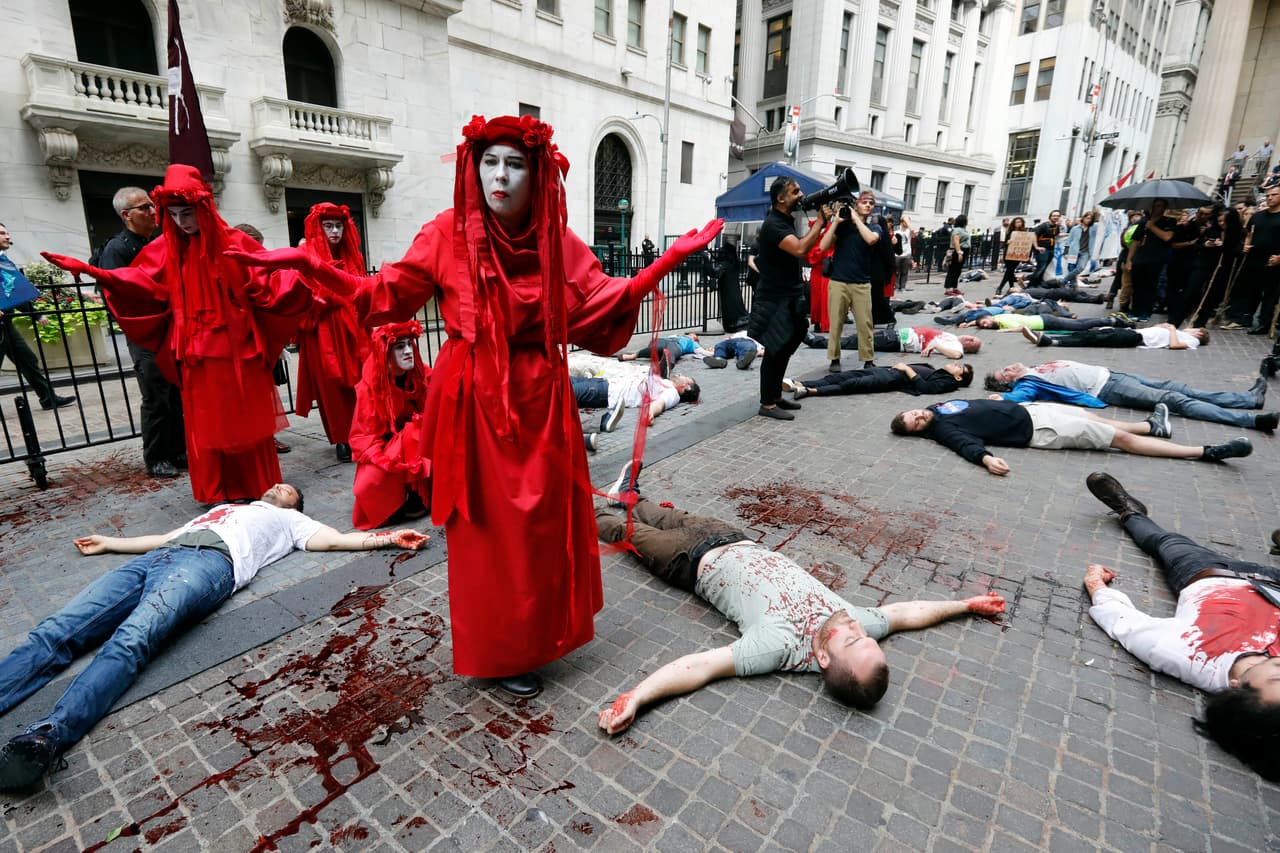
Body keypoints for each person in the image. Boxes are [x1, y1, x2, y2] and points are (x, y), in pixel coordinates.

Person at [229, 114, 722, 698]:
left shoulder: (556, 241)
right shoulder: (446, 234)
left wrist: (663, 265)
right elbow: (379, 297)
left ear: (536, 174)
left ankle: (541, 634)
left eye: (515, 164)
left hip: (538, 399)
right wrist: (312, 266)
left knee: (540, 524)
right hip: (473, 401)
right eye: (490, 162)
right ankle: (498, 649)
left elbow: (598, 307)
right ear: (473, 167)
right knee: (488, 533)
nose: (501, 176)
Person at [0, 483, 428, 790]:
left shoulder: (291, 520)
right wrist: (112, 542)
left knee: (132, 639)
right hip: (156, 559)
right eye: (277, 485)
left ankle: (47, 736)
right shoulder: (223, 509)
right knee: (56, 631)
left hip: (208, 567)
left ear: (296, 503)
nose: (280, 486)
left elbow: (334, 542)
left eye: (289, 489)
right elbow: (167, 537)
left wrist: (388, 537)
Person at [594, 479, 1006, 734]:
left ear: (823, 657)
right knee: (655, 510)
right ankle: (626, 492)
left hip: (688, 562)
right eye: (867, 637)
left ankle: (577, 506)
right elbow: (904, 614)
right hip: (730, 536)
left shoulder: (778, 647)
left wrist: (637, 696)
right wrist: (965, 604)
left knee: (621, 529)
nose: (858, 628)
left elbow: (699, 667)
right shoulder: (858, 626)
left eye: (852, 640)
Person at [43, 165, 315, 505]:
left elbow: (269, 278)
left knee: (242, 416)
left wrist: (301, 283)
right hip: (196, 352)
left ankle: (256, 484)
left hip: (237, 350)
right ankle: (216, 490)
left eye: (186, 213)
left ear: (203, 208)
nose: (181, 221)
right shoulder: (167, 249)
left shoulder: (234, 241)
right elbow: (139, 280)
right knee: (205, 421)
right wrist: (92, 271)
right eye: (172, 214)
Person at [1081, 472, 1280, 781]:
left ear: (1240, 690)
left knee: (1163, 542)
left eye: (1277, 679)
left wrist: (1098, 587)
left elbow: (1126, 625)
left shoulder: (1190, 655)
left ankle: (1128, 510)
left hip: (1205, 573)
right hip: (1274, 581)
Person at [890, 398, 1251, 475]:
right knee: (1115, 440)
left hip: (1033, 409)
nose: (920, 417)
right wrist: (985, 458)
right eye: (916, 424)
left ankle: (1152, 426)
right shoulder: (942, 429)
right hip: (1041, 430)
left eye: (913, 414)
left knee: (1098, 420)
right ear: (920, 432)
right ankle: (1204, 452)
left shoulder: (936, 408)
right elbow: (963, 444)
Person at [96, 188, 184, 478]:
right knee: (156, 395)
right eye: (144, 208)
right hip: (144, 332)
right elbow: (116, 293)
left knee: (176, 393)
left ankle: (179, 450)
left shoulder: (161, 241)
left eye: (152, 206)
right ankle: (157, 456)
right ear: (127, 215)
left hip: (169, 327)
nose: (152, 211)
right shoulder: (116, 249)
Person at [987, 360, 1277, 432]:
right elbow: (1019, 397)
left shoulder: (1033, 367)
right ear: (1009, 383)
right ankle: (1250, 420)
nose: (1010, 368)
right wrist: (1003, 399)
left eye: (1006, 367)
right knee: (1175, 401)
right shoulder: (1027, 383)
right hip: (1110, 388)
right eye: (1006, 373)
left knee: (1179, 388)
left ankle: (1247, 400)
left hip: (1113, 374)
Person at [291, 203, 370, 463]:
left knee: (362, 380)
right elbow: (300, 295)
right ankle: (341, 437)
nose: (334, 231)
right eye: (328, 226)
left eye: (338, 226)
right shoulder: (307, 253)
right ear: (318, 227)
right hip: (323, 329)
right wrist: (327, 294)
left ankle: (364, 432)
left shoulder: (351, 255)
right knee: (331, 387)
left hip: (353, 327)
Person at [750, 177, 828, 421]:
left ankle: (775, 396)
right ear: (780, 198)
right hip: (775, 299)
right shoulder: (773, 224)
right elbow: (800, 249)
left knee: (784, 348)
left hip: (788, 296)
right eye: (795, 192)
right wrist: (820, 223)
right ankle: (767, 404)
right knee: (775, 349)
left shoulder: (784, 220)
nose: (800, 194)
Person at [349, 321, 432, 530]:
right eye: (399, 347)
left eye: (409, 345)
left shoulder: (421, 375)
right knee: (368, 486)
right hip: (387, 449)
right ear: (385, 353)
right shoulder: (370, 388)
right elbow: (363, 437)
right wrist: (383, 460)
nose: (407, 352)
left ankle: (417, 494)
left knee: (415, 431)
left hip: (420, 445)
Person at [0, 224, 75, 411]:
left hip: (6, 324)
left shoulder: (4, 263)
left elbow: (15, 292)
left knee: (28, 360)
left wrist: (37, 314)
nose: (7, 236)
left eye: (8, 233)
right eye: (2, 233)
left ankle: (48, 399)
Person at [819, 191, 882, 373]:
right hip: (839, 281)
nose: (868, 205)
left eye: (871, 203)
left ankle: (868, 359)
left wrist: (856, 219)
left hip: (861, 283)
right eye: (864, 202)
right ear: (856, 205)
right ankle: (834, 358)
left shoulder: (875, 228)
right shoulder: (843, 226)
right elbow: (823, 246)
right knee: (836, 323)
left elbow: (870, 239)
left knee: (865, 323)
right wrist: (836, 222)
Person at [1224, 184, 1280, 333]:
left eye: (1274, 195)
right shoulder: (1257, 216)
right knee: (1250, 290)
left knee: (1269, 294)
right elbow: (1249, 235)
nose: (1269, 197)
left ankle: (1264, 324)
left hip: (1273, 262)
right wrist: (1245, 246)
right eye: (1268, 195)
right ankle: (1245, 318)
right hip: (1253, 259)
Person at [792, 360, 972, 400]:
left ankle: (810, 391)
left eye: (959, 367)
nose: (956, 364)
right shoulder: (936, 370)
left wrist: (907, 369)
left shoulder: (948, 383)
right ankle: (804, 384)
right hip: (886, 371)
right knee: (842, 376)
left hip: (890, 379)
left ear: (958, 377)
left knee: (850, 385)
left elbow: (926, 388)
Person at [570, 370, 699, 423]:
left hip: (603, 392)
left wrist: (650, 413)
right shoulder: (668, 384)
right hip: (601, 384)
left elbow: (660, 403)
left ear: (686, 386)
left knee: (558, 393)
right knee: (557, 382)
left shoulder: (673, 393)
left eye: (684, 377)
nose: (680, 374)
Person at [1125, 200, 1176, 321]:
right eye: (1155, 206)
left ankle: (1146, 312)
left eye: (1160, 206)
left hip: (1156, 259)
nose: (1157, 209)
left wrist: (1152, 227)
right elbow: (1135, 241)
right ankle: (1135, 311)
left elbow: (1167, 236)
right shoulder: (1143, 222)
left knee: (1151, 286)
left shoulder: (1169, 221)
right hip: (1140, 258)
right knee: (1137, 286)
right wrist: (1129, 260)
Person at [807, 325, 981, 360]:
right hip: (897, 335)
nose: (969, 337)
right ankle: (819, 341)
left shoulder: (957, 347)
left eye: (972, 341)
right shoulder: (954, 337)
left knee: (853, 341)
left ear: (969, 347)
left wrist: (936, 345)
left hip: (897, 340)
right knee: (855, 340)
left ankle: (817, 342)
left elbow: (957, 355)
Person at [1020, 322, 1209, 349]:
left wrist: (1173, 329)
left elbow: (1175, 346)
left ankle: (1051, 342)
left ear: (1199, 333)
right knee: (1091, 333)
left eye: (1194, 328)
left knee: (1094, 339)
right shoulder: (1184, 334)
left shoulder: (1191, 340)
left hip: (1136, 339)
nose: (1190, 328)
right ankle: (1049, 339)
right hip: (1134, 333)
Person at [715, 239, 747, 332]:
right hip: (734, 288)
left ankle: (732, 324)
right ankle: (735, 322)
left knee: (728, 306)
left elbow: (715, 273)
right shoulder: (734, 262)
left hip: (727, 289)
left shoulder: (725, 264)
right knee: (734, 305)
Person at [1062, 210, 1101, 286]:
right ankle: (1073, 286)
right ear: (1083, 218)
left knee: (1081, 267)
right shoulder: (1075, 228)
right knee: (1071, 268)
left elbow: (1102, 225)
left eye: (1090, 218)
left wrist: (1098, 214)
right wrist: (1066, 251)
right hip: (1074, 251)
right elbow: (1069, 240)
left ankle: (1063, 281)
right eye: (1087, 218)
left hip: (1086, 252)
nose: (1088, 220)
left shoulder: (1094, 228)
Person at [1028, 210, 1062, 287]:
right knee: (1040, 268)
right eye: (1054, 215)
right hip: (1042, 250)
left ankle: (1038, 284)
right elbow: (1033, 234)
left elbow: (1056, 235)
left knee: (1044, 268)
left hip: (1051, 250)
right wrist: (1037, 247)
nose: (1056, 217)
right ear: (1050, 216)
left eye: (1057, 216)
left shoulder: (1056, 227)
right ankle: (1030, 286)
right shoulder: (1043, 226)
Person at [997, 217, 1028, 295]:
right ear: (1014, 223)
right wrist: (1008, 242)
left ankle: (1000, 287)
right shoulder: (1010, 232)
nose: (1018, 223)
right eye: (1016, 222)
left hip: (1018, 255)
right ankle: (1011, 287)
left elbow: (1027, 244)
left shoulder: (1024, 232)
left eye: (1020, 222)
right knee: (1010, 271)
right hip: (1008, 254)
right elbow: (1004, 244)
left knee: (1009, 271)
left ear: (1022, 223)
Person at [943, 213, 970, 296]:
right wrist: (959, 252)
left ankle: (955, 287)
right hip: (957, 251)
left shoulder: (963, 229)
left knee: (958, 270)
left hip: (964, 250)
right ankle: (948, 288)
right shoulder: (957, 230)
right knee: (952, 270)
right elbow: (956, 241)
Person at [895, 215, 914, 292]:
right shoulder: (896, 230)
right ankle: (896, 287)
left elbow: (912, 230)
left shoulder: (908, 231)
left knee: (904, 272)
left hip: (907, 254)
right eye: (906, 221)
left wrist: (907, 220)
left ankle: (903, 287)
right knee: (896, 272)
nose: (907, 223)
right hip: (897, 254)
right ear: (902, 222)